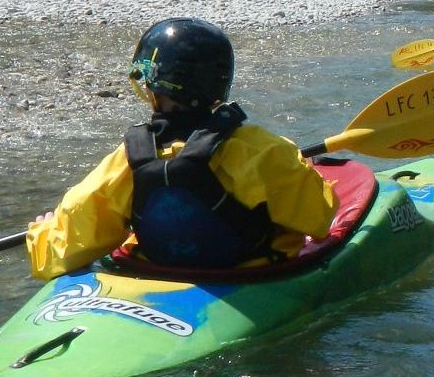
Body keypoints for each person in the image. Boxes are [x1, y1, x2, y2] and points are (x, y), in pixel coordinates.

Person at [24, 18, 339, 278]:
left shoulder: (127, 160)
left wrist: (42, 234)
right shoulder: (264, 152)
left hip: (157, 272)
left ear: (156, 88)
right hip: (250, 275)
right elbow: (319, 219)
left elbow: (62, 250)